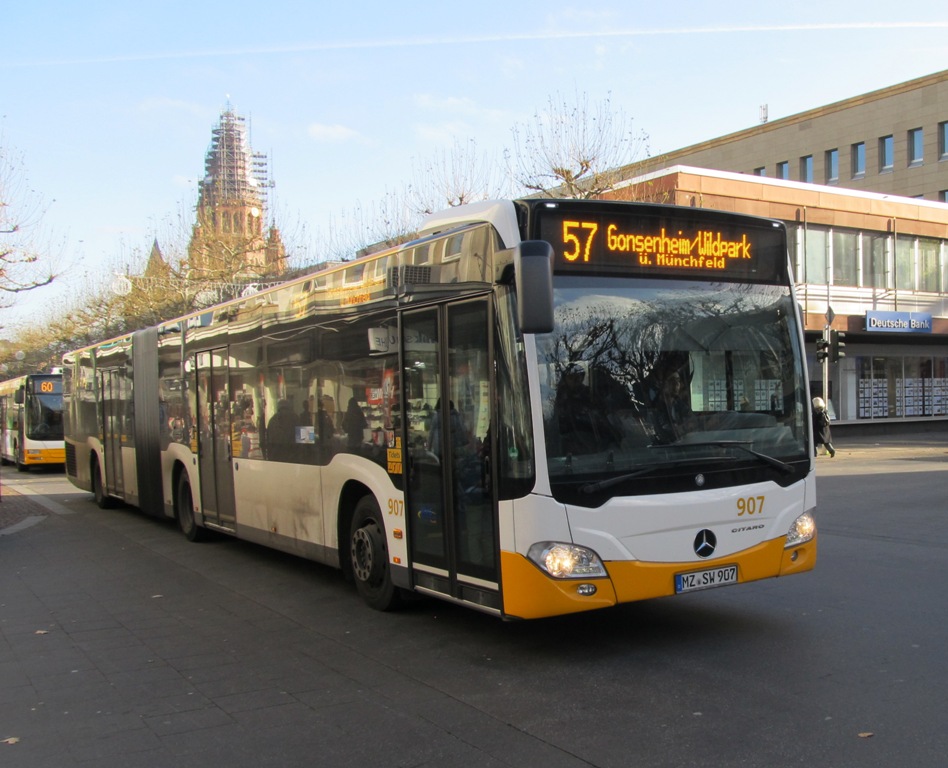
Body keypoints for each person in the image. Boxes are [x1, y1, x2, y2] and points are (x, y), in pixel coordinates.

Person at [650, 369, 695, 444]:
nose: (676, 384)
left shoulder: (679, 403)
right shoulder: (655, 407)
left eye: (678, 380)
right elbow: (662, 431)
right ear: (662, 384)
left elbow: (692, 420)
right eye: (671, 380)